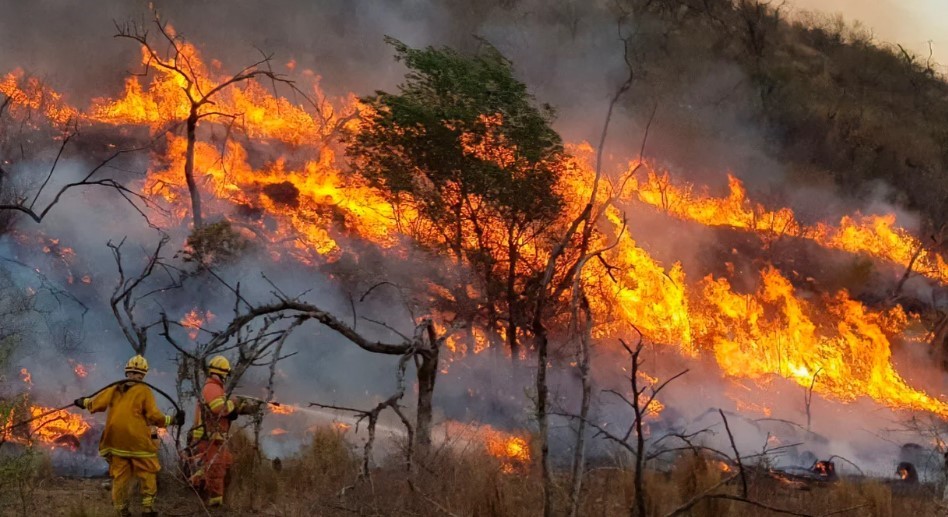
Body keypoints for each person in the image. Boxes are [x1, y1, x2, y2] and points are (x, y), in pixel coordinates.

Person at [75, 355, 184, 517]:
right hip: (137, 442)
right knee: (148, 471)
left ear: (127, 372)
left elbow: (97, 403)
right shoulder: (144, 391)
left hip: (115, 441)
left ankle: (121, 510)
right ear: (144, 374)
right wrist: (173, 420)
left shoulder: (115, 388)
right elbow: (154, 416)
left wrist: (83, 402)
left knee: (120, 476)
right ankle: (147, 509)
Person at [188, 355, 245, 508]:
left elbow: (221, 408)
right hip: (210, 437)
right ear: (223, 373)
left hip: (215, 436)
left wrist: (237, 408)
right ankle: (215, 504)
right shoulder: (212, 387)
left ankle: (197, 479)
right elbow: (218, 408)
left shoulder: (215, 387)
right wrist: (234, 403)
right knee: (216, 469)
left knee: (225, 462)